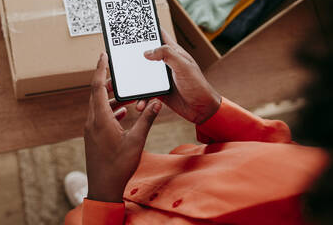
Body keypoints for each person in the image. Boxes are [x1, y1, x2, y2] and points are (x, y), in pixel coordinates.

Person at [63, 29, 331, 225]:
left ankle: (96, 202)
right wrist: (212, 110)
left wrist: (103, 196)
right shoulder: (323, 168)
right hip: (172, 174)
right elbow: (282, 152)